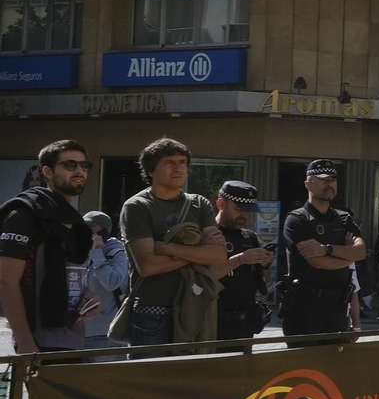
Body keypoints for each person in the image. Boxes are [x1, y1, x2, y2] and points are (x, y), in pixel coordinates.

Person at [120, 138, 227, 348]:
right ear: (151, 171)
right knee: (151, 379)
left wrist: (169, 249)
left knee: (191, 378)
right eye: (169, 162)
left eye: (182, 162)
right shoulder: (137, 207)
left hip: (196, 305)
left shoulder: (199, 204)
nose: (178, 168)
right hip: (152, 310)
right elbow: (148, 266)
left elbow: (218, 256)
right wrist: (197, 253)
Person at [0, 140, 96, 354]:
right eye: (70, 165)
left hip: (74, 336)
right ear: (48, 172)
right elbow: (6, 281)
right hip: (38, 339)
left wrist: (89, 296)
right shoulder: (25, 214)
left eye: (84, 165)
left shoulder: (73, 220)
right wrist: (25, 342)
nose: (79, 171)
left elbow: (73, 274)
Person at [279, 159, 366, 337]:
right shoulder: (297, 219)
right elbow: (317, 262)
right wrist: (347, 257)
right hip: (305, 307)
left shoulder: (343, 219)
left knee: (333, 362)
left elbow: (360, 252)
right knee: (304, 363)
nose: (329, 184)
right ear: (308, 184)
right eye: (322, 179)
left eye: (332, 179)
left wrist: (326, 249)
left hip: (337, 307)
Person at [214, 181, 274, 343]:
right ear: (221, 203)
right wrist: (241, 259)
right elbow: (207, 275)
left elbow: (263, 281)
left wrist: (265, 263)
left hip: (245, 319)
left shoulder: (249, 237)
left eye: (248, 210)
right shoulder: (209, 233)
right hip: (214, 318)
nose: (244, 215)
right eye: (239, 209)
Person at [79, 210, 127, 348]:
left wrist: (98, 253)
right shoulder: (81, 251)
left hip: (105, 333)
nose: (86, 232)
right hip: (79, 331)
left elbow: (112, 282)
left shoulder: (116, 253)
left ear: (103, 231)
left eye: (91, 228)